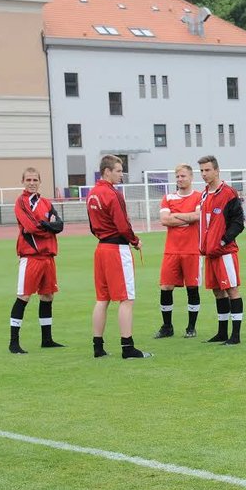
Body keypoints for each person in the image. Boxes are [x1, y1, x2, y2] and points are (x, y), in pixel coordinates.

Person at [86, 154, 152, 359]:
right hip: (116, 250)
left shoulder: (92, 193)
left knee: (102, 298)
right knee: (126, 299)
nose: (121, 174)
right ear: (107, 171)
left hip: (101, 249)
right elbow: (122, 224)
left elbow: (91, 225)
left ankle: (98, 346)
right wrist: (135, 241)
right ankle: (127, 347)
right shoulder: (112, 194)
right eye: (118, 170)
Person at [9, 167, 64, 354]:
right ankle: (13, 342)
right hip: (31, 256)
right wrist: (49, 226)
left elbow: (60, 225)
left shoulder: (46, 203)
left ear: (40, 182)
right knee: (24, 296)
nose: (32, 183)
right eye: (28, 180)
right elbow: (31, 227)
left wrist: (46, 224)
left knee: (47, 296)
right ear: (23, 181)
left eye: (35, 180)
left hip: (48, 257)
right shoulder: (20, 202)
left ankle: (47, 339)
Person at [197, 155, 244, 345]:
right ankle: (222, 332)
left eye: (207, 170)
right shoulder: (204, 194)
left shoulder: (229, 193)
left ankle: (236, 335)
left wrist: (223, 241)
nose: (204, 174)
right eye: (201, 171)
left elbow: (238, 223)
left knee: (232, 290)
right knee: (217, 291)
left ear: (217, 170)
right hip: (209, 254)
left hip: (225, 252)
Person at [155, 163, 202, 339]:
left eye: (183, 176)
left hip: (192, 250)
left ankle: (191, 327)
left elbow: (197, 217)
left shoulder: (199, 197)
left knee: (192, 287)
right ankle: (167, 326)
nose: (180, 179)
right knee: (166, 287)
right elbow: (165, 220)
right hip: (171, 250)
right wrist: (186, 218)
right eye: (177, 177)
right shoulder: (168, 197)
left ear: (191, 177)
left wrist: (176, 216)